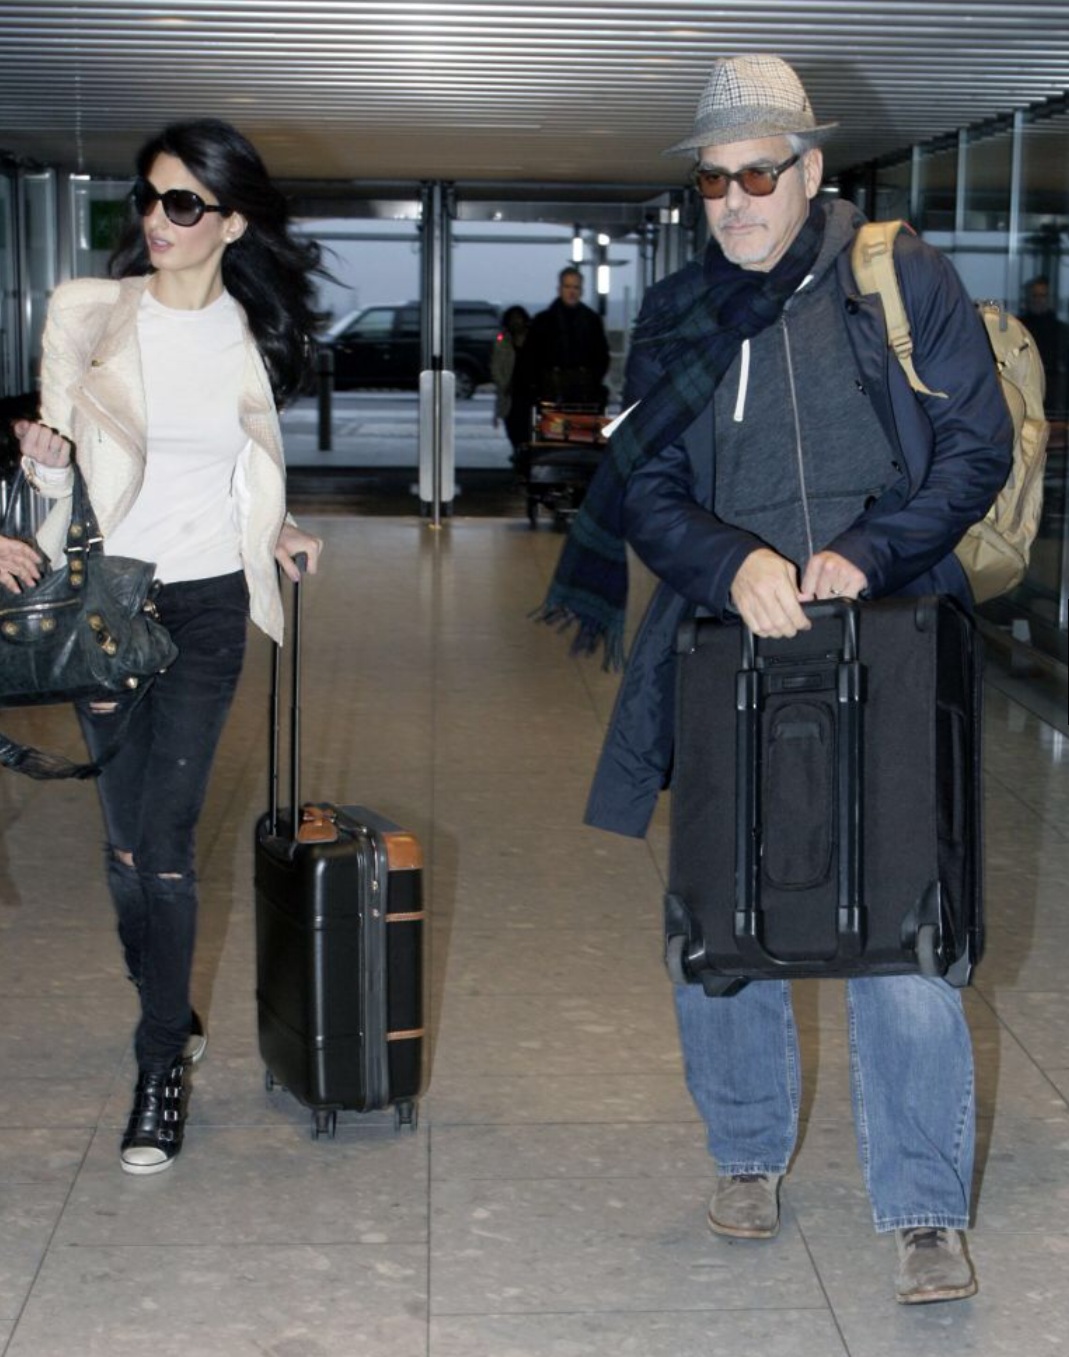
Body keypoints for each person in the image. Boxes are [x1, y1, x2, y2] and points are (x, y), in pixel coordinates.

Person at [536, 54, 1012, 1303]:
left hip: (890, 631)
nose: (735, 201)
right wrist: (729, 560)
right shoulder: (678, 314)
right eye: (713, 180)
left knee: (904, 919)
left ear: (809, 170)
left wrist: (871, 550)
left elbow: (976, 447)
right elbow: (643, 485)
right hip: (727, 639)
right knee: (722, 917)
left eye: (758, 174)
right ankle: (745, 1152)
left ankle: (921, 1207)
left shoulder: (895, 276)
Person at [12, 117, 324, 1176]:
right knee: (124, 849)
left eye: (182, 203)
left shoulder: (253, 333)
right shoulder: (88, 312)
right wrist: (45, 465)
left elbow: (240, 468)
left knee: (166, 841)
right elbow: (59, 480)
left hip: (204, 610)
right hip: (105, 605)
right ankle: (164, 997)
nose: (156, 218)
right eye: (147, 197)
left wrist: (275, 526)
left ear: (230, 222)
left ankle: (160, 1066)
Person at [519, 265, 611, 412]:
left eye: (576, 287)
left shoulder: (592, 321)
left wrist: (592, 379)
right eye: (567, 287)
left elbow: (601, 356)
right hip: (551, 392)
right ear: (560, 289)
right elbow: (530, 357)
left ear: (581, 291)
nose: (572, 292)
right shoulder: (543, 321)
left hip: (584, 393)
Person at [1019, 275, 1068, 413]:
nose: (1039, 300)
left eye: (1043, 296)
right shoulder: (1017, 328)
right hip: (1023, 392)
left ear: (1050, 299)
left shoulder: (1062, 331)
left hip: (1053, 398)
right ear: (1028, 298)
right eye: (1035, 296)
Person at [490, 303, 533, 460]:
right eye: (512, 319)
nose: (516, 322)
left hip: (530, 391)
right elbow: (495, 366)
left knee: (530, 426)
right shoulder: (502, 340)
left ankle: (526, 453)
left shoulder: (534, 339)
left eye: (518, 318)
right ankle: (518, 452)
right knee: (513, 426)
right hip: (510, 391)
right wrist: (503, 383)